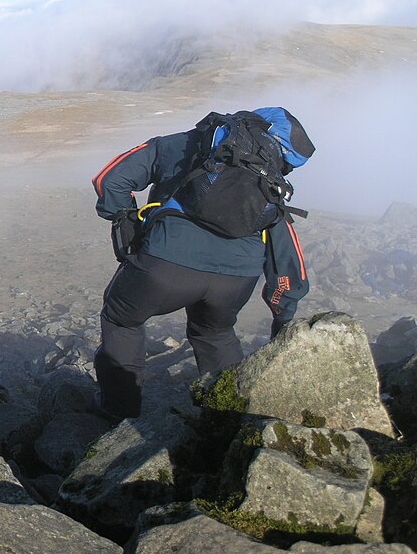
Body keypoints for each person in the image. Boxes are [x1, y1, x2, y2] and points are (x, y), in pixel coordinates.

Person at [90, 107, 314, 419]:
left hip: (165, 266)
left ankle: (120, 416)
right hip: (236, 281)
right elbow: (287, 256)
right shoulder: (270, 181)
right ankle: (228, 423)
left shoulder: (191, 142)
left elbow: (111, 178)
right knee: (215, 333)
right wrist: (282, 314)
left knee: (122, 319)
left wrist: (128, 226)